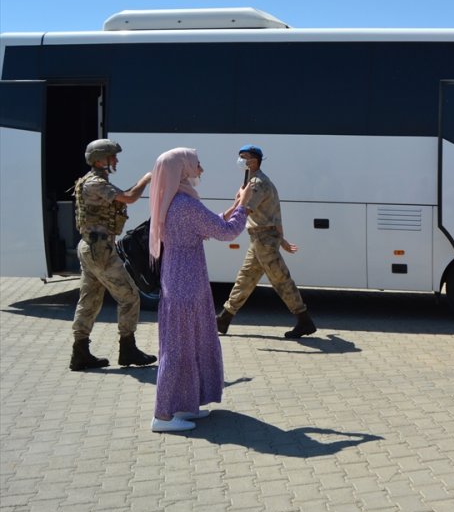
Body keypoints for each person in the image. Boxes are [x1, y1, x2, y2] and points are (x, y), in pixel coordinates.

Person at [148, 148, 251, 433]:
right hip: (187, 285)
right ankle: (163, 416)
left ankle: (184, 405)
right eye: (195, 165)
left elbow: (207, 226)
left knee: (187, 346)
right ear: (181, 169)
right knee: (178, 350)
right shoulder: (185, 205)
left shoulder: (174, 201)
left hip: (180, 282)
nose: (200, 170)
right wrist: (243, 206)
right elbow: (226, 232)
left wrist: (231, 208)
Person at [69, 139, 157, 372]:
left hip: (92, 248)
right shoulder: (96, 183)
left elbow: (121, 196)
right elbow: (129, 197)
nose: (115, 160)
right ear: (99, 159)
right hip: (101, 251)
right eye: (112, 156)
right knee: (129, 297)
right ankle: (127, 349)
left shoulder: (91, 181)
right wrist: (145, 180)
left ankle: (80, 353)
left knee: (89, 300)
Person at [216, 145, 316, 338]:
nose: (240, 161)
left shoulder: (257, 184)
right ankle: (224, 319)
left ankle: (304, 320)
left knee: (281, 280)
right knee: (245, 279)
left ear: (253, 161)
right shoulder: (257, 181)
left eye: (243, 158)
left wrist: (236, 201)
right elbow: (275, 214)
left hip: (263, 239)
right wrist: (282, 239)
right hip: (260, 238)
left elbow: (245, 210)